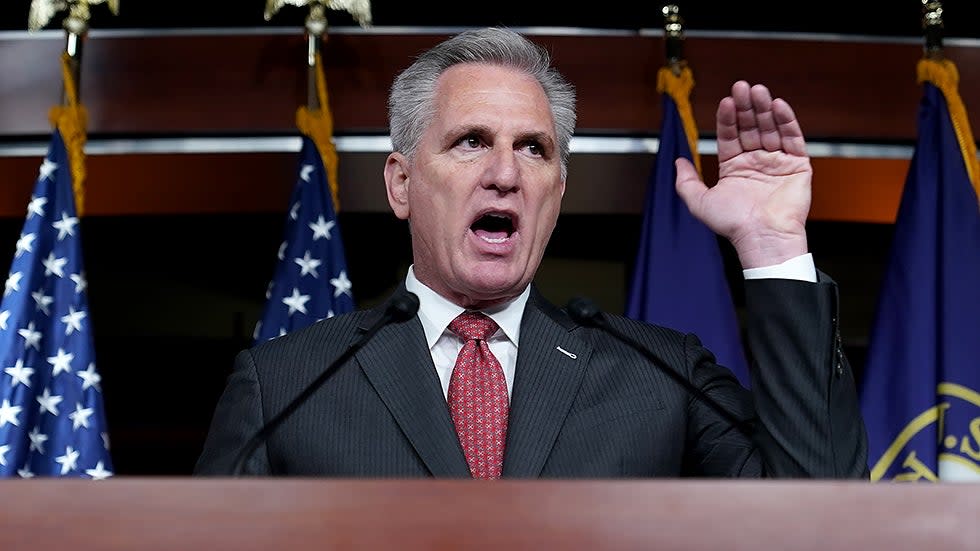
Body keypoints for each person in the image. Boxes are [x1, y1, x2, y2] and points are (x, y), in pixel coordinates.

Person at [195, 27, 869, 478]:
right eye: (470, 141)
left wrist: (773, 245)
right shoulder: (285, 386)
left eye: (533, 148)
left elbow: (821, 510)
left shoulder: (661, 377)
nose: (505, 173)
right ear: (401, 183)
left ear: (557, 189)